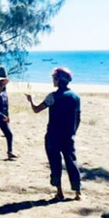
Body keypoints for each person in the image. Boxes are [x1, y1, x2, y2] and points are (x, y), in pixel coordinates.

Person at [26, 67, 82, 201]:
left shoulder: (52, 96)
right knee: (72, 162)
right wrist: (73, 132)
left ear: (58, 80)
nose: (53, 80)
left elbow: (36, 109)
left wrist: (31, 100)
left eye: (54, 78)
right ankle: (78, 192)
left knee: (55, 163)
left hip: (53, 135)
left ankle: (59, 192)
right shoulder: (75, 97)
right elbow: (78, 118)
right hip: (68, 136)